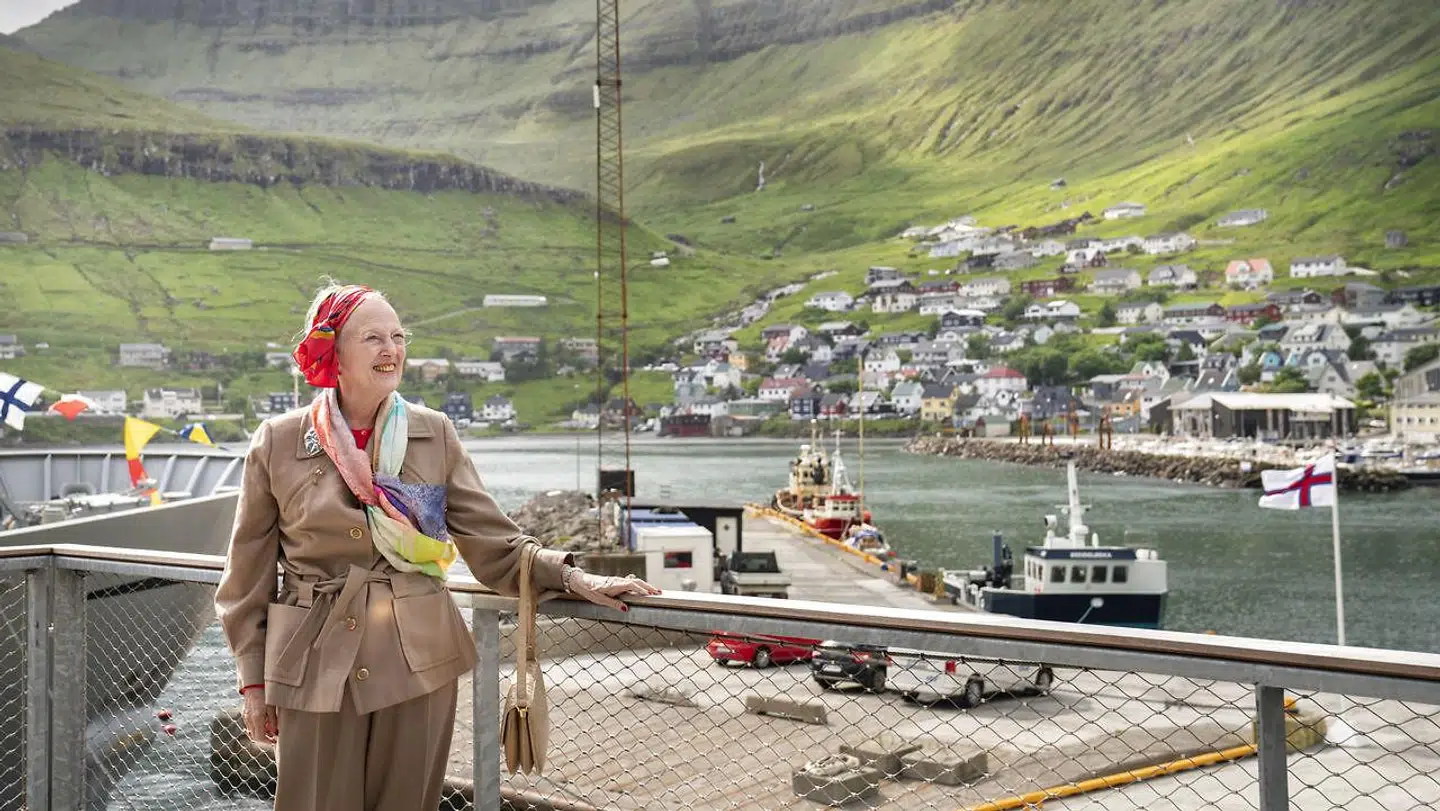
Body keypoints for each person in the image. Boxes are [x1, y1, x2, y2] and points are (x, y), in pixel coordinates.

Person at [215, 281, 659, 811]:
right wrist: (253, 682)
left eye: (398, 336)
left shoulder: (434, 433)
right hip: (311, 659)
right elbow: (247, 575)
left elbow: (492, 539)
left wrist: (571, 576)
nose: (391, 350)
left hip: (416, 657)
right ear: (333, 350)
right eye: (373, 337)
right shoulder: (278, 441)